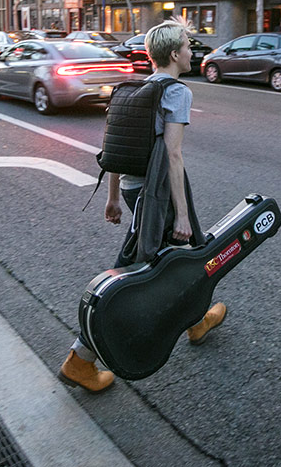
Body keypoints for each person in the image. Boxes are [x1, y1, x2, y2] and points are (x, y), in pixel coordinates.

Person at [58, 20, 227, 392]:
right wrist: (181, 213)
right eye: (186, 45)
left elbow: (116, 149)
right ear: (173, 54)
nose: (191, 51)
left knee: (180, 255)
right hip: (158, 192)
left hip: (136, 189)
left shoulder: (137, 89)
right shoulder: (177, 92)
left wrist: (114, 196)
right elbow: (173, 153)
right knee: (138, 267)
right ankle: (80, 357)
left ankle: (195, 320)